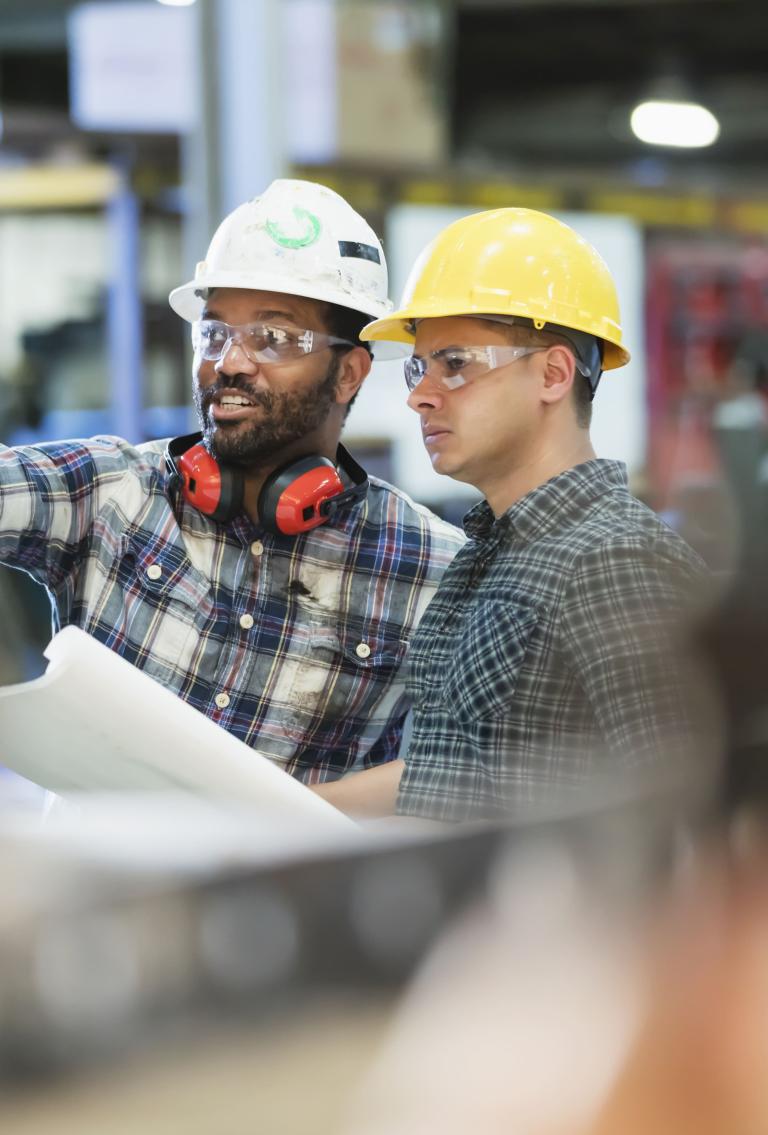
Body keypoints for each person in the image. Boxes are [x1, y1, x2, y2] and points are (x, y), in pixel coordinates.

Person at [0, 179, 464, 785]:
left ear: (349, 373)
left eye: (272, 338)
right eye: (215, 332)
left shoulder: (431, 568)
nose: (230, 361)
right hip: (105, 876)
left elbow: (464, 779)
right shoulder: (113, 490)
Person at [315, 207, 720, 822]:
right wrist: (271, 809)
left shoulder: (614, 563)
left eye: (456, 363)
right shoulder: (488, 556)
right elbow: (448, 774)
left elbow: (696, 812)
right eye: (422, 366)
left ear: (554, 374)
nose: (419, 394)